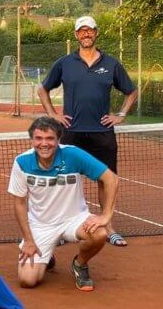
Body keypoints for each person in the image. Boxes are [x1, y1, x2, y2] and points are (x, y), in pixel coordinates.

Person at [38, 15, 137, 248]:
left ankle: (107, 226)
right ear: (76, 35)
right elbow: (43, 89)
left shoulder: (111, 64)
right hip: (70, 133)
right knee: (62, 180)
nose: (86, 34)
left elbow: (131, 91)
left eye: (89, 30)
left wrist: (120, 115)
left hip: (102, 133)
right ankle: (59, 229)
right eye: (81, 31)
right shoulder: (64, 63)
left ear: (96, 33)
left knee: (107, 180)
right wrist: (53, 114)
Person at [9, 117, 118, 292]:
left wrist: (106, 215)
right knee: (27, 281)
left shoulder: (73, 154)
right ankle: (46, 256)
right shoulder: (22, 162)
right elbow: (19, 203)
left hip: (74, 219)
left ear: (58, 140)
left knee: (99, 234)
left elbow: (110, 178)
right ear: (32, 140)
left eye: (50, 138)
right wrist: (29, 240)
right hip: (41, 225)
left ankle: (80, 264)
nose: (44, 144)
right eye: (38, 138)